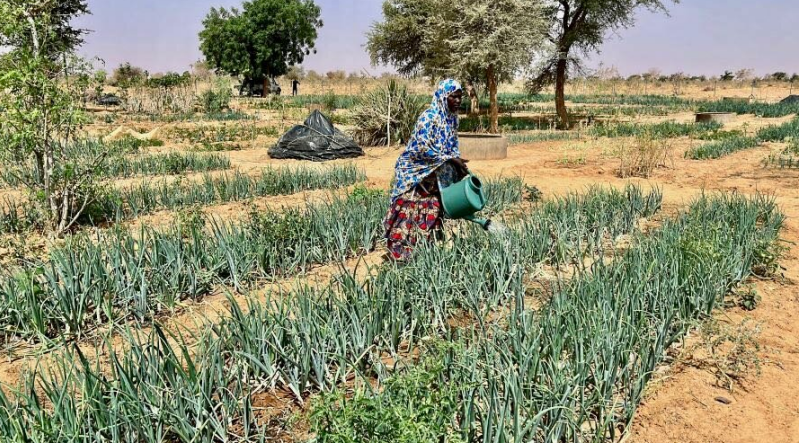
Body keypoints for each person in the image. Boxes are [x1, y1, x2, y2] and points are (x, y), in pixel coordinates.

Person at [383, 79, 468, 261]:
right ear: (443, 97)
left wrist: (458, 163)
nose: (458, 101)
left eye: (460, 97)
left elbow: (452, 146)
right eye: (454, 96)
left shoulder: (452, 119)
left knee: (433, 207)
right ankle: (399, 254)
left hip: (436, 174)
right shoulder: (429, 117)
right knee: (408, 209)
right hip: (416, 172)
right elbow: (421, 149)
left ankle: (425, 251)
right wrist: (450, 158)